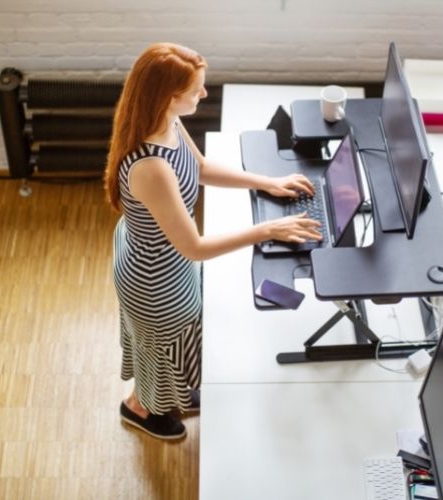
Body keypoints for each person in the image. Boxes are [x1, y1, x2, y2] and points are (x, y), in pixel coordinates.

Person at [104, 43, 322, 440]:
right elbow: (196, 248)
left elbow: (200, 168)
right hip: (155, 279)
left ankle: (168, 393)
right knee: (162, 351)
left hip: (162, 257)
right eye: (196, 90)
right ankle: (140, 409)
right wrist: (268, 230)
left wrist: (267, 181)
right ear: (170, 97)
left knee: (175, 345)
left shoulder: (165, 120)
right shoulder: (151, 168)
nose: (203, 95)